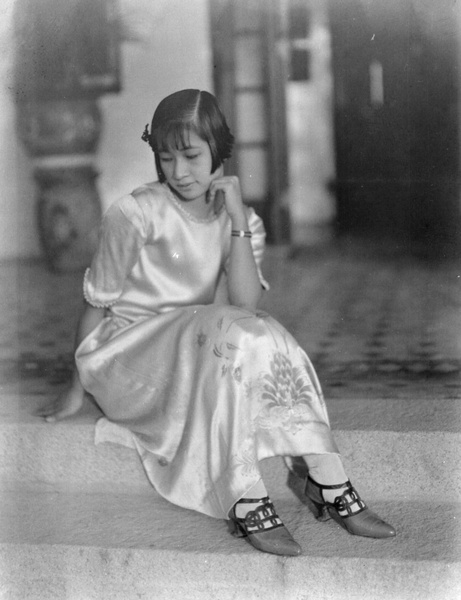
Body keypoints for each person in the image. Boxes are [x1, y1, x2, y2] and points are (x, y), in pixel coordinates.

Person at [39, 89, 395, 556]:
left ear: (218, 153)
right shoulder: (135, 213)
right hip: (128, 358)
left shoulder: (242, 220)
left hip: (197, 351)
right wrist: (75, 384)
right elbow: (98, 302)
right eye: (166, 159)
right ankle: (247, 495)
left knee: (258, 327)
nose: (179, 172)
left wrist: (235, 222)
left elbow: (245, 307)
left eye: (191, 156)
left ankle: (328, 475)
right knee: (227, 330)